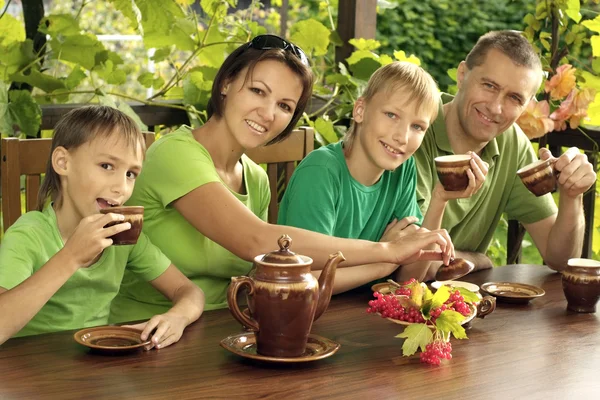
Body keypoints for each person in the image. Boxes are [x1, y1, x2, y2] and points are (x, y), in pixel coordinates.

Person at [109, 35, 454, 322]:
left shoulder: (255, 179)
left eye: (285, 106)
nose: (268, 113)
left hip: (230, 327)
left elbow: (265, 272)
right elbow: (256, 240)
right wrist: (386, 252)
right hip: (145, 331)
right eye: (258, 91)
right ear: (227, 82)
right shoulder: (175, 154)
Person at [0, 106, 205, 347]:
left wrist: (177, 317)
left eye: (131, 173)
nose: (121, 187)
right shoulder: (29, 235)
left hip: (94, 369)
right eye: (107, 166)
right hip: (26, 371)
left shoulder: (123, 236)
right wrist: (71, 257)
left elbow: (188, 290)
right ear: (63, 162)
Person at [277, 62, 486, 293]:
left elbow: (410, 279)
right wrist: (386, 261)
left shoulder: (403, 169)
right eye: (391, 115)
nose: (402, 137)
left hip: (362, 312)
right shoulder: (321, 171)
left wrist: (439, 199)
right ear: (360, 111)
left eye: (417, 127)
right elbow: (304, 282)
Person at [405, 30, 596, 281]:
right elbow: (412, 264)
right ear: (462, 75)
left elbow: (559, 258)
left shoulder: (511, 142)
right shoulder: (412, 129)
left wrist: (572, 196)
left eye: (514, 98)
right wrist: (477, 259)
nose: (495, 108)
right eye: (489, 85)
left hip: (457, 306)